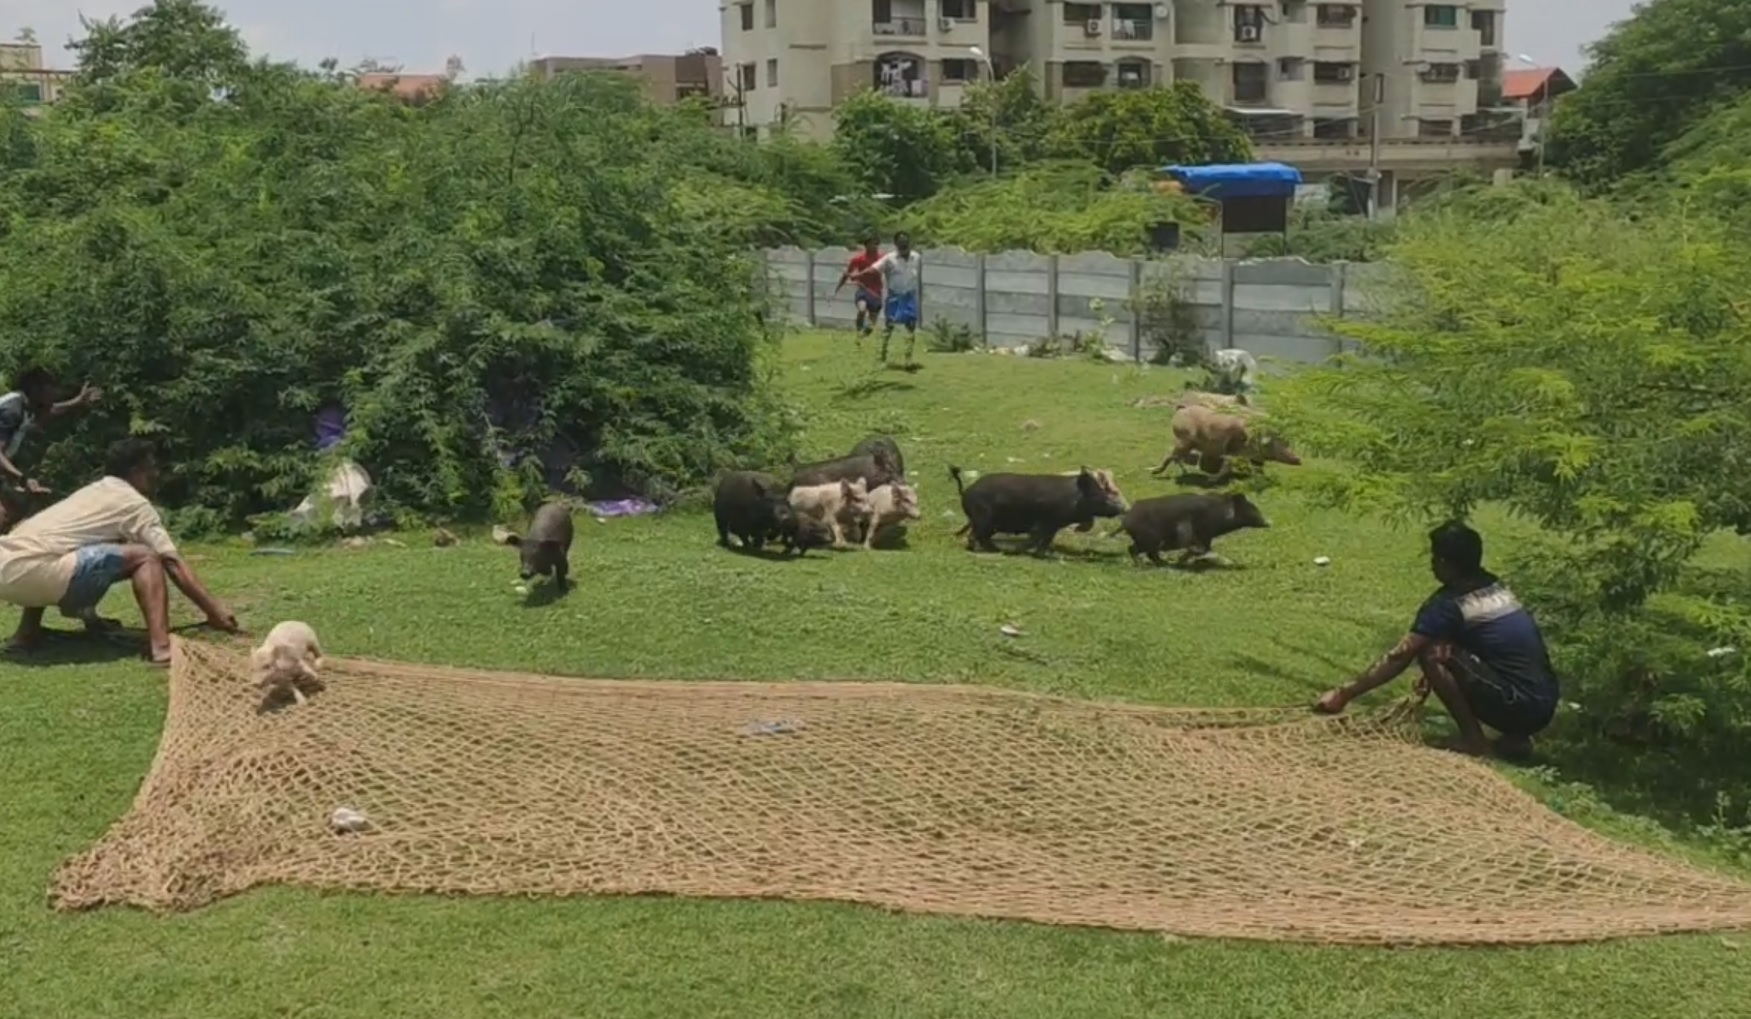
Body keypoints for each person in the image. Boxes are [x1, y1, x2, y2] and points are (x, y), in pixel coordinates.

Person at [1312, 521, 1559, 759]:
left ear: (1444, 563)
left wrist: (1343, 694)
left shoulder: (1447, 605)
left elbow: (1400, 656)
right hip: (1545, 703)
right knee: (1456, 649)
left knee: (1431, 652)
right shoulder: (1496, 586)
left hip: (1518, 704)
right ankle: (1516, 738)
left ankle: (1473, 741)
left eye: (1434, 558)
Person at [0, 438, 239, 665]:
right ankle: (162, 648)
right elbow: (171, 561)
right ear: (136, 471)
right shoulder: (134, 504)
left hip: (6, 572)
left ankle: (25, 635)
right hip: (42, 574)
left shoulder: (92, 491)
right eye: (152, 468)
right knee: (146, 556)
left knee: (49, 548)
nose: (157, 475)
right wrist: (214, 610)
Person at [0, 367, 102, 532]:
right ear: (35, 389)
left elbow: (50, 411)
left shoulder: (26, 406)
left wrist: (77, 402)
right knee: (5, 512)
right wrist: (22, 479)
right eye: (50, 388)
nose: (55, 393)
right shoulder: (12, 411)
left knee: (14, 507)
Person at [858, 231, 923, 369]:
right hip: (894, 297)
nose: (903, 243)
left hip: (909, 296)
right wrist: (858, 274)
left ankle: (908, 359)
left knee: (911, 327)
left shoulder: (916, 257)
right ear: (895, 243)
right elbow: (873, 269)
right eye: (900, 241)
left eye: (906, 240)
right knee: (889, 327)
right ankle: (882, 357)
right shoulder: (889, 258)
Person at [834, 235, 885, 338]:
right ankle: (858, 333)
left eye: (876, 244)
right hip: (863, 289)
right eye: (872, 244)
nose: (874, 246)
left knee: (871, 324)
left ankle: (862, 337)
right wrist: (838, 288)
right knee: (862, 309)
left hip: (876, 292)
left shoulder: (882, 258)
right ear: (866, 245)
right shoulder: (858, 259)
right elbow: (847, 274)